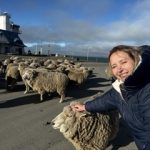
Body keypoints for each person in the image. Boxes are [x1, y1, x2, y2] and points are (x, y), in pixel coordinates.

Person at [71, 45, 150, 150]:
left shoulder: (147, 88)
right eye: (114, 66)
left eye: (123, 62)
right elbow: (105, 100)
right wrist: (85, 107)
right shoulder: (120, 88)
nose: (119, 69)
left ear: (135, 59)